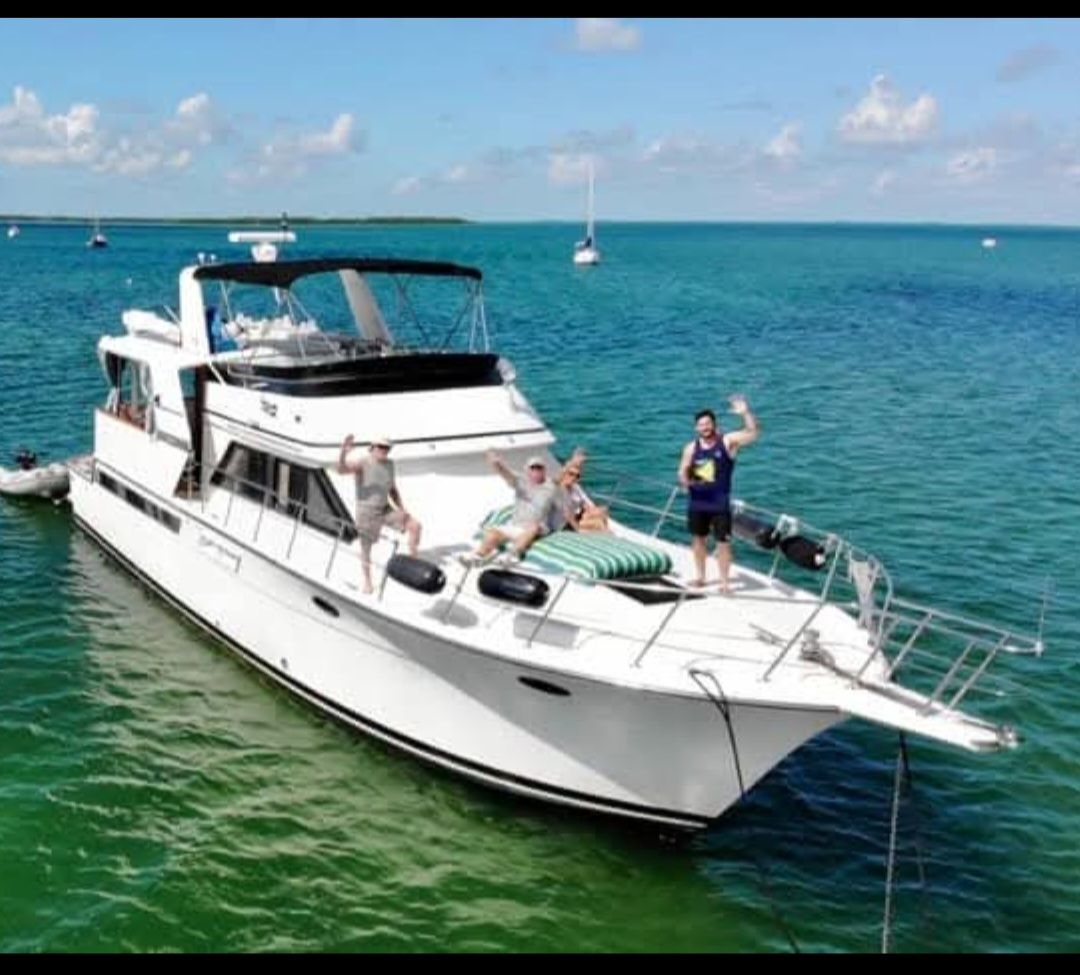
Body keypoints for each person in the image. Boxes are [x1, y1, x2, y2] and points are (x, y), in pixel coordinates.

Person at [678, 394, 760, 592]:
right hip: (697, 503)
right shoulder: (691, 447)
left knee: (723, 543)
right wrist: (685, 481)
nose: (705, 427)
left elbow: (753, 433)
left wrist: (745, 413)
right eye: (701, 425)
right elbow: (682, 469)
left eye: (708, 423)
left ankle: (724, 583)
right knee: (698, 540)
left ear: (714, 424)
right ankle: (700, 577)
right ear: (696, 428)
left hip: (719, 504)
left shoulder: (727, 442)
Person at [337, 433, 421, 594]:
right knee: (366, 548)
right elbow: (341, 470)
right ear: (373, 447)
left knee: (415, 526)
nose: (384, 450)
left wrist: (402, 508)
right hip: (367, 512)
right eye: (381, 447)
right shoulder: (363, 461)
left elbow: (392, 489)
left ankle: (413, 563)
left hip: (385, 508)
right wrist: (343, 452)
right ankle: (367, 582)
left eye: (387, 448)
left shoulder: (390, 464)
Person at [463, 450, 558, 566]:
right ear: (527, 470)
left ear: (544, 471)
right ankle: (478, 555)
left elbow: (563, 478)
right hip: (515, 526)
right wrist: (497, 464)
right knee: (493, 532)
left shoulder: (549, 487)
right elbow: (506, 474)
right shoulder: (521, 483)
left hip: (535, 529)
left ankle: (512, 554)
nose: (536, 471)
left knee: (534, 526)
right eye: (533, 468)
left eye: (539, 468)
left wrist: (574, 463)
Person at [549, 449, 609, 533]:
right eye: (571, 474)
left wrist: (592, 513)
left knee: (603, 511)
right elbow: (567, 515)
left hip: (574, 517)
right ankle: (608, 536)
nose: (573, 477)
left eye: (577, 476)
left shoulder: (575, 488)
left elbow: (587, 505)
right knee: (598, 524)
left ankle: (608, 535)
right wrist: (579, 530)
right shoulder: (558, 488)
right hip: (562, 525)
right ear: (565, 474)